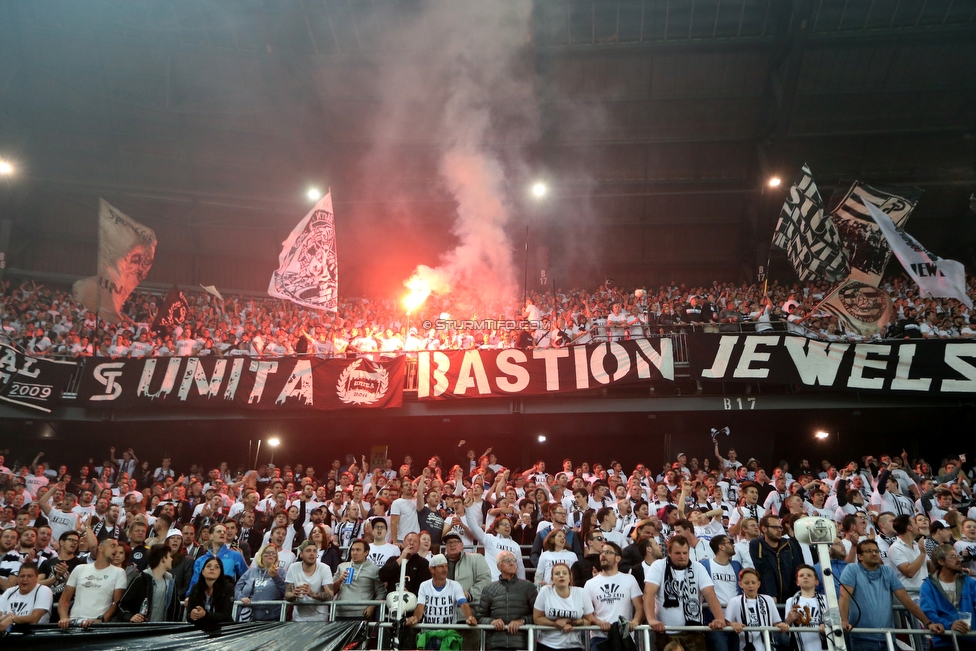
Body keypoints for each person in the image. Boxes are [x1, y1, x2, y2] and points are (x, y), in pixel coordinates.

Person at [840, 539, 944, 651]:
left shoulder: (887, 571)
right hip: (860, 637)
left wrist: (928, 623)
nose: (874, 553)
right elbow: (844, 596)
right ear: (860, 556)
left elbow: (905, 599)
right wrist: (844, 620)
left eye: (876, 551)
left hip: (887, 637)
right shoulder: (852, 569)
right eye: (869, 551)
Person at [644, 535, 727, 651]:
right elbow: (648, 593)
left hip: (694, 631)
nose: (682, 557)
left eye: (685, 553)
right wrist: (651, 619)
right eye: (678, 553)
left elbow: (710, 594)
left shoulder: (698, 567)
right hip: (666, 633)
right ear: (669, 552)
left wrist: (719, 618)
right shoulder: (658, 566)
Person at [406, 553, 478, 649]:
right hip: (428, 633)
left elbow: (463, 603)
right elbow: (420, 607)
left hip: (448, 634)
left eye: (446, 566)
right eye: (441, 567)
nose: (445, 570)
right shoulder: (424, 585)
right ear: (432, 569)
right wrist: (415, 618)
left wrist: (469, 617)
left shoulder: (455, 585)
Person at [584, 541, 644, 651]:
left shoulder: (629, 579)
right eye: (602, 552)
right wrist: (599, 623)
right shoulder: (590, 583)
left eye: (608, 552)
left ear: (618, 558)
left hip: (624, 636)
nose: (603, 555)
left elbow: (640, 606)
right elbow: (587, 612)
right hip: (599, 637)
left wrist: (635, 622)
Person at [58, 537, 127, 629]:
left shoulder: (119, 572)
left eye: (117, 546)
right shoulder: (80, 569)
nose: (116, 549)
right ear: (101, 548)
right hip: (74, 622)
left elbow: (117, 603)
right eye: (113, 545)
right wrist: (64, 618)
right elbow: (65, 599)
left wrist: (100, 620)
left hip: (97, 625)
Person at [477, 550, 539, 650]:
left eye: (514, 560)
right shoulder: (488, 589)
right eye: (508, 560)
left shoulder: (528, 587)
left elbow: (538, 616)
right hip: (496, 645)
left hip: (522, 645)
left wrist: (522, 621)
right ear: (499, 566)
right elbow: (480, 617)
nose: (512, 563)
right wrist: (492, 622)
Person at [920, 544, 976, 650]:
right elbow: (929, 613)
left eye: (958, 556)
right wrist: (949, 625)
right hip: (944, 643)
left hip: (971, 640)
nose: (959, 560)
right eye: (953, 556)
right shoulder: (928, 586)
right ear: (941, 561)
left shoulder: (969, 582)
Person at [534, 562, 597, 651]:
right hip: (547, 644)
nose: (561, 576)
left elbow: (588, 620)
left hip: (573, 645)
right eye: (557, 574)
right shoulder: (545, 591)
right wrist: (556, 624)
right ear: (552, 578)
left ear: (570, 577)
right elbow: (537, 618)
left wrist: (569, 622)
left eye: (564, 573)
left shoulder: (581, 593)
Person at [724, 568, 789, 651]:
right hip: (746, 647)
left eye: (753, 582)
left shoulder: (768, 599)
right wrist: (733, 624)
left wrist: (782, 625)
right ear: (740, 584)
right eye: (746, 583)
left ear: (758, 584)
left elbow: (776, 622)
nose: (750, 586)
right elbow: (726, 622)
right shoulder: (735, 601)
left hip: (768, 647)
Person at [465, 497, 527, 580]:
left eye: (509, 525)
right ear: (496, 529)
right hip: (492, 583)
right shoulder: (490, 539)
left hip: (511, 585)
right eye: (504, 524)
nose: (507, 527)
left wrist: (522, 586)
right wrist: (468, 509)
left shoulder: (515, 545)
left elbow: (520, 568)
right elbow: (474, 528)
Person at [117, 542, 181, 622]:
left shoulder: (171, 582)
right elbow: (122, 605)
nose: (172, 559)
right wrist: (130, 616)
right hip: (143, 630)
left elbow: (176, 608)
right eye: (169, 556)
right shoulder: (140, 580)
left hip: (164, 630)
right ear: (163, 559)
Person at [750, 515, 804, 604]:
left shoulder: (789, 544)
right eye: (775, 527)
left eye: (780, 527)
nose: (779, 530)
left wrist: (798, 595)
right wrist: (771, 594)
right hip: (767, 597)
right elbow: (764, 569)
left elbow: (798, 569)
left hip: (791, 597)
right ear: (764, 529)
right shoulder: (757, 544)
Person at [333, 538, 387, 619]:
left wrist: (372, 606)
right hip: (339, 612)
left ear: (366, 552)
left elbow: (381, 592)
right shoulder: (342, 566)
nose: (354, 553)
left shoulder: (374, 570)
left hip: (361, 614)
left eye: (358, 550)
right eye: (352, 550)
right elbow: (330, 590)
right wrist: (340, 580)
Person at [188, 522, 248, 591]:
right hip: (204, 598)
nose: (222, 533)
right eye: (219, 531)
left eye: (224, 532)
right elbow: (194, 582)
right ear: (211, 536)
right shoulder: (200, 560)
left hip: (226, 597)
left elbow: (246, 578)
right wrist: (189, 596)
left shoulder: (236, 556)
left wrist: (240, 595)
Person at [284, 540, 334, 621]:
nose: (312, 553)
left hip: (319, 618)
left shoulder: (325, 568)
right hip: (298, 618)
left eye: (314, 551)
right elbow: (287, 594)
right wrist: (294, 594)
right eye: (308, 551)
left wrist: (311, 594)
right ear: (301, 554)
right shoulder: (293, 568)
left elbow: (330, 595)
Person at [234, 544, 286, 621]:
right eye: (267, 552)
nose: (270, 554)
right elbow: (237, 588)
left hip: (271, 619)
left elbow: (286, 591)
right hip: (248, 618)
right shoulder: (250, 572)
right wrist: (241, 597)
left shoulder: (281, 572)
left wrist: (276, 577)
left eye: (273, 553)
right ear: (261, 555)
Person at [785, 565, 829, 651]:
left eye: (809, 575)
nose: (805, 577)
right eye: (801, 575)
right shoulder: (790, 601)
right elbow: (786, 628)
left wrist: (826, 625)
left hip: (822, 645)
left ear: (817, 582)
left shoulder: (826, 599)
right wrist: (789, 620)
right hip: (800, 645)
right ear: (797, 582)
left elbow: (835, 622)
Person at [442, 532, 491, 605]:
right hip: (446, 610)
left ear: (462, 545)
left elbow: (485, 580)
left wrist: (469, 595)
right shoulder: (440, 564)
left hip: (470, 608)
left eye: (455, 542)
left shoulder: (476, 559)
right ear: (446, 547)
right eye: (449, 543)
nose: (452, 545)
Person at [186, 557, 235, 630]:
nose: (212, 568)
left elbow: (225, 615)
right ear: (202, 571)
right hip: (200, 630)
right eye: (208, 566)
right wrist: (192, 615)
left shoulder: (228, 588)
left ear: (220, 572)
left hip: (222, 630)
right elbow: (188, 616)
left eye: (216, 567)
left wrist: (205, 614)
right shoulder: (195, 588)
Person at [0, 562, 54, 627]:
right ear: (17, 578)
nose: (25, 579)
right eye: (22, 576)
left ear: (36, 578)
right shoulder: (9, 591)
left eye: (29, 576)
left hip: (33, 634)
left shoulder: (44, 590)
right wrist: (5, 618)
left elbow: (35, 618)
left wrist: (12, 619)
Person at [379, 531, 431, 597]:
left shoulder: (423, 563)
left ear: (418, 547)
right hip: (392, 600)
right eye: (409, 540)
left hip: (413, 602)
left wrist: (410, 595)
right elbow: (382, 576)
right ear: (403, 544)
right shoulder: (393, 559)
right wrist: (401, 558)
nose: (411, 543)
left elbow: (425, 587)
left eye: (415, 541)